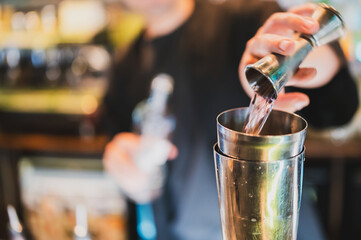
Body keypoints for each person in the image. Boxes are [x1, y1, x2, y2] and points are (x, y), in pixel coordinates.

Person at [101, 0, 359, 239]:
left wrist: (290, 57)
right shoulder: (124, 67)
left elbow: (337, 107)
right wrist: (123, 166)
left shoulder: (244, 18)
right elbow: (118, 145)